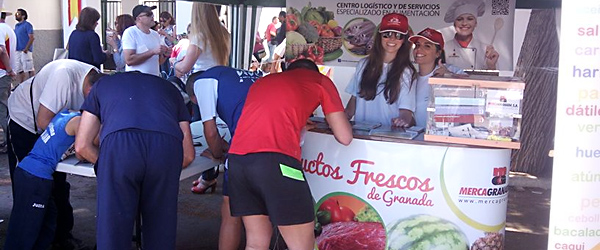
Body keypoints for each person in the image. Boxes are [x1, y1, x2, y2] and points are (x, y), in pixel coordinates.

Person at [227, 59, 353, 250]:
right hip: (277, 163)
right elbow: (345, 137)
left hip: (238, 162)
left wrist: (300, 121)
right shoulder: (320, 81)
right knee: (302, 246)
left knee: (255, 244)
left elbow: (268, 116)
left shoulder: (264, 81)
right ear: (314, 72)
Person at [75, 71, 194, 250]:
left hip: (119, 144)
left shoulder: (102, 86)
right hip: (165, 146)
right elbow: (188, 154)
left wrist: (108, 167)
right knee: (161, 227)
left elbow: (82, 145)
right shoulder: (170, 88)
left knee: (113, 230)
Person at [6, 59, 105, 249]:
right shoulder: (64, 76)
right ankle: (24, 238)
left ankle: (60, 237)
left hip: (46, 147)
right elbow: (44, 122)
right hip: (25, 122)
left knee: (56, 190)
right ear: (92, 92)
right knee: (31, 201)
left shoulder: (92, 84)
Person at [186, 65, 262, 250]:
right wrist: (228, 148)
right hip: (277, 145)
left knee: (231, 211)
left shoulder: (202, 83)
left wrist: (217, 154)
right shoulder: (236, 75)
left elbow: (210, 132)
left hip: (248, 153)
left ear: (193, 96)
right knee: (262, 215)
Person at [4, 111, 82, 250]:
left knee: (48, 219)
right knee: (26, 229)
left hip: (28, 172)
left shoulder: (65, 115)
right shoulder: (78, 123)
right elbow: (84, 149)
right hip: (36, 177)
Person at [174, 2, 230, 192]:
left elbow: (185, 67)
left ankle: (208, 174)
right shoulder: (223, 32)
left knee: (202, 130)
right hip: (221, 83)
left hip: (202, 85)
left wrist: (176, 65)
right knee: (218, 128)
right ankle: (210, 174)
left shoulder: (200, 34)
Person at [344, 13, 417, 128]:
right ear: (379, 37)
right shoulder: (363, 65)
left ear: (404, 40)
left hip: (387, 138)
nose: (392, 39)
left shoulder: (407, 72)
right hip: (360, 135)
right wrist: (342, 117)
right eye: (386, 34)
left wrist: (403, 120)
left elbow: (406, 111)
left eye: (398, 35)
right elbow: (354, 99)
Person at [409, 28, 466, 127]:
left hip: (446, 137)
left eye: (427, 46)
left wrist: (450, 76)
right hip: (419, 137)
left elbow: (473, 91)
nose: (419, 50)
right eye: (417, 45)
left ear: (438, 53)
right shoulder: (412, 79)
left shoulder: (451, 70)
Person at [444, 0, 499, 70]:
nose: (464, 23)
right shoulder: (444, 48)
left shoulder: (486, 50)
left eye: (469, 19)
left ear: (475, 23)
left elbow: (493, 79)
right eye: (459, 19)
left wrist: (491, 66)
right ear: (454, 24)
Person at [122, 5, 169, 76]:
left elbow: (157, 62)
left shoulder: (155, 34)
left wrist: (165, 55)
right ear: (139, 18)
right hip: (136, 81)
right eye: (148, 15)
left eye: (152, 14)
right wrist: (152, 52)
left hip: (153, 79)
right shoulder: (130, 32)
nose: (152, 17)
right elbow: (129, 60)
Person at [0, 9, 16, 153]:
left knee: (2, 110)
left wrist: (9, 69)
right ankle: (9, 139)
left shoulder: (0, 29)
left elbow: (2, 50)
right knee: (6, 108)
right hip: (5, 74)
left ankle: (9, 140)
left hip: (2, 74)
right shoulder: (8, 29)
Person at [14, 8, 35, 84]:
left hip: (25, 51)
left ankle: (32, 84)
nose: (16, 16)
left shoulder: (27, 25)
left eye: (18, 14)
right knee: (19, 69)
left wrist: (26, 48)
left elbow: (31, 38)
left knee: (29, 68)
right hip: (18, 50)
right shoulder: (16, 26)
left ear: (23, 16)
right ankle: (21, 85)